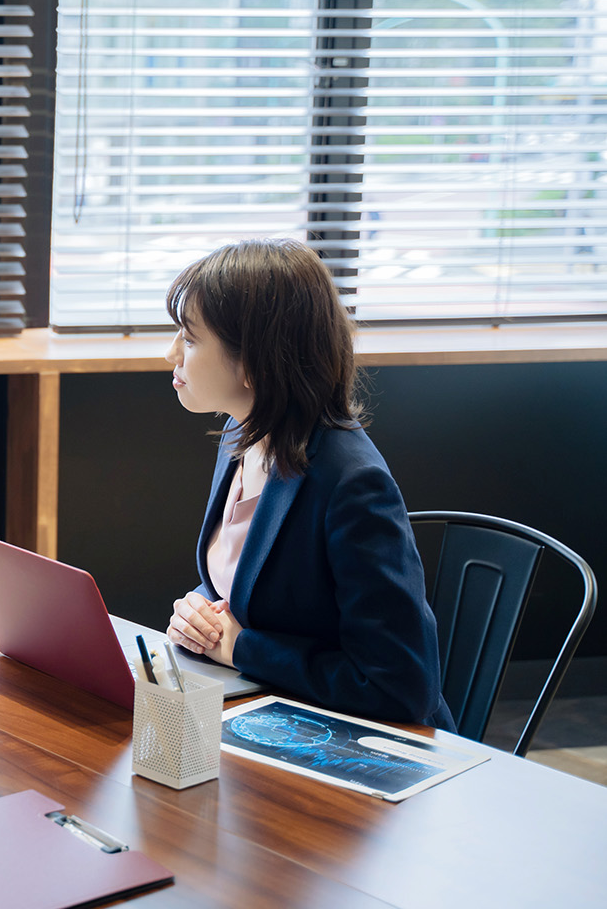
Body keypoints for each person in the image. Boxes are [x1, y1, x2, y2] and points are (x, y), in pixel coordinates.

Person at [162, 239, 455, 729]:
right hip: (270, 713)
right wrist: (202, 612)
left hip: (354, 754)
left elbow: (401, 687)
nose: (170, 351)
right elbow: (264, 582)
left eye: (190, 340)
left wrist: (239, 647)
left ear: (253, 363)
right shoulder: (242, 431)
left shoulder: (354, 485)